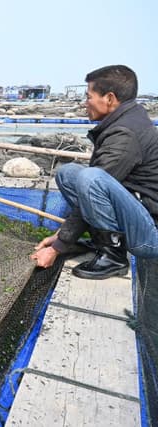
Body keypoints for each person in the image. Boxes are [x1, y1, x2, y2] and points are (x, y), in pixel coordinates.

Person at [30, 65, 158, 280]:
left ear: (109, 98)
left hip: (150, 236)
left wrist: (58, 246)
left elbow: (94, 186)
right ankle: (103, 241)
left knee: (91, 178)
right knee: (69, 173)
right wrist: (62, 237)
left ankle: (114, 257)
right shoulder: (127, 120)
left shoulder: (124, 134)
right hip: (139, 214)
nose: (84, 103)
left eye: (88, 97)